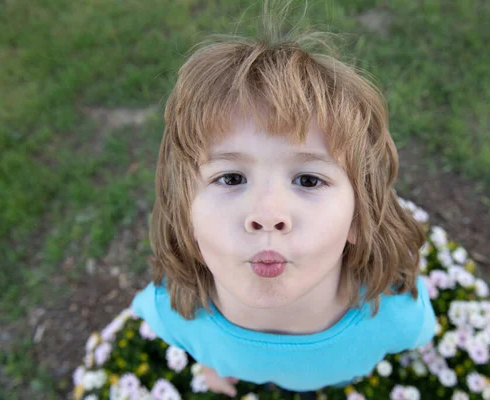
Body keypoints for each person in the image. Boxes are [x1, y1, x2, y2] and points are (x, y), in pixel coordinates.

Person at [131, 1, 436, 396]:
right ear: (183, 210)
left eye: (308, 179)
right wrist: (210, 364)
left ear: (360, 216)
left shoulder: (397, 319)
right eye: (231, 177)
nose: (267, 215)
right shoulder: (175, 314)